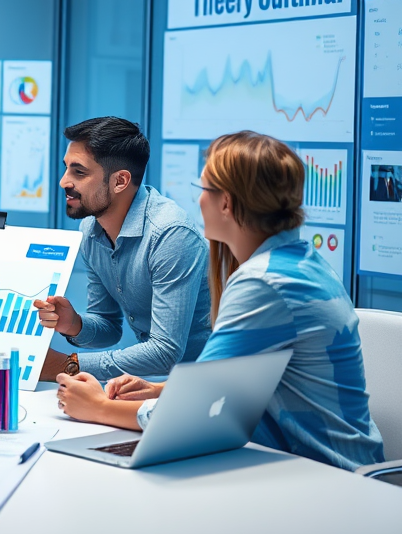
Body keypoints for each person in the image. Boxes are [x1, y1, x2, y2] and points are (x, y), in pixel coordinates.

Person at [55, 131, 384, 472]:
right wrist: (159, 389)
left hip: (326, 476)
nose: (197, 202)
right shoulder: (299, 263)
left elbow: (193, 415)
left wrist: (98, 408)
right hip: (307, 465)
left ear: (225, 203)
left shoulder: (263, 283)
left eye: (203, 190)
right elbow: (239, 382)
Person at [34, 117, 211, 381]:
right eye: (66, 168)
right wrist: (73, 324)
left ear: (120, 181)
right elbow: (108, 326)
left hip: (211, 385)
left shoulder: (170, 235)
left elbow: (165, 351)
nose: (64, 182)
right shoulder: (90, 231)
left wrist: (67, 365)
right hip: (164, 384)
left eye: (79, 172)